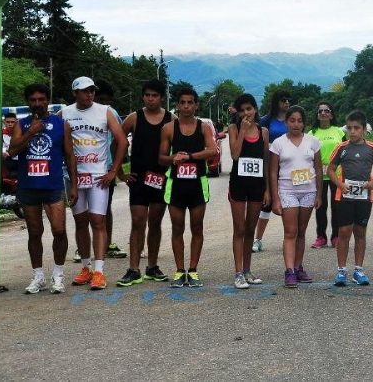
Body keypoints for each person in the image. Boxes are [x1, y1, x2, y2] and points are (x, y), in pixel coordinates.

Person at [8, 84, 78, 294]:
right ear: (28, 102)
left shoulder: (61, 124)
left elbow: (70, 155)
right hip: (29, 185)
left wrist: (74, 185)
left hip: (53, 185)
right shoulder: (22, 125)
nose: (37, 103)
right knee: (34, 232)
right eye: (33, 100)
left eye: (41, 99)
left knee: (59, 230)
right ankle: (38, 276)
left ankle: (58, 275)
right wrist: (31, 132)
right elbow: (12, 151)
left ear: (48, 100)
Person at [62, 76, 128, 290]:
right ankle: (85, 267)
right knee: (80, 221)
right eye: (85, 91)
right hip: (74, 177)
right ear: (75, 93)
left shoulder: (105, 111)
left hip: (99, 176)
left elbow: (122, 141)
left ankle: (99, 271)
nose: (89, 94)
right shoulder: (64, 113)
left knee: (97, 221)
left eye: (92, 90)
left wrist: (113, 170)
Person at [115, 79, 173, 287]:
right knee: (138, 222)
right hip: (138, 179)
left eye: (155, 95)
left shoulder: (170, 119)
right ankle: (133, 268)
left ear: (161, 97)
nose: (151, 99)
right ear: (143, 97)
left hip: (160, 179)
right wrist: (120, 172)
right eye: (147, 95)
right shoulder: (134, 118)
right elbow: (117, 143)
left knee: (155, 222)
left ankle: (152, 266)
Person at [159, 88, 217, 288]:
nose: (186, 106)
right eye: (182, 102)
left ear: (196, 105)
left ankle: (192, 270)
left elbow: (212, 150)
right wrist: (173, 158)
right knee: (177, 227)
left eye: (190, 102)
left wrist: (190, 157)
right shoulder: (168, 128)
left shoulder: (203, 128)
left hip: (197, 184)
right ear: (177, 104)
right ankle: (178, 270)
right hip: (175, 185)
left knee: (197, 227)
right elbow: (161, 157)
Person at [327, 110, 373, 286]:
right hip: (344, 196)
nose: (352, 132)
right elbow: (330, 169)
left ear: (364, 129)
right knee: (344, 232)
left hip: (364, 198)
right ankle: (341, 270)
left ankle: (358, 270)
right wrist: (339, 184)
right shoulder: (342, 148)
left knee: (360, 232)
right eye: (349, 128)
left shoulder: (372, 148)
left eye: (356, 128)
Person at [269, 105, 322, 288]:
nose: (296, 124)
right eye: (292, 120)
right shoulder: (278, 144)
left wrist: (319, 194)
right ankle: (289, 271)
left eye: (299, 121)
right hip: (287, 191)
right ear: (286, 122)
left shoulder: (313, 142)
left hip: (308, 191)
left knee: (301, 232)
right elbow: (273, 172)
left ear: (304, 123)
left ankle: (299, 267)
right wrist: (275, 199)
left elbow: (318, 169)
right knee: (290, 232)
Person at [228, 94, 269, 289]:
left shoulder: (264, 132)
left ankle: (247, 270)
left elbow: (266, 161)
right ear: (238, 111)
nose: (247, 113)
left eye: (249, 109)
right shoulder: (234, 128)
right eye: (243, 109)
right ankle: (238, 273)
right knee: (240, 228)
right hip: (238, 183)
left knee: (250, 229)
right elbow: (235, 155)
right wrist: (243, 131)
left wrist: (268, 189)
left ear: (255, 109)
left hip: (257, 185)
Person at [253, 89, 292, 252]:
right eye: (283, 100)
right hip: (270, 166)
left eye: (288, 100)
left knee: (290, 204)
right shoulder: (265, 121)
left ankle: (291, 239)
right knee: (266, 204)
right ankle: (257, 239)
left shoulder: (292, 121)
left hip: (289, 167)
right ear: (276, 102)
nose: (287, 103)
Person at [94, 82, 127, 260]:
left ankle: (106, 244)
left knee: (105, 208)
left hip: (105, 168)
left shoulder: (111, 113)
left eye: (106, 100)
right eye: (100, 99)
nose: (102, 104)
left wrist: (117, 170)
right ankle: (90, 245)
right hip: (85, 168)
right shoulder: (81, 113)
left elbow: (119, 142)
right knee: (86, 211)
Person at [307, 101, 345, 248]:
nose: (323, 113)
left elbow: (345, 151)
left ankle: (336, 236)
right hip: (318, 175)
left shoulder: (339, 131)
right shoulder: (311, 133)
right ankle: (321, 237)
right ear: (317, 115)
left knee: (337, 206)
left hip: (337, 174)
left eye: (326, 110)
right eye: (320, 111)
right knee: (320, 206)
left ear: (331, 114)